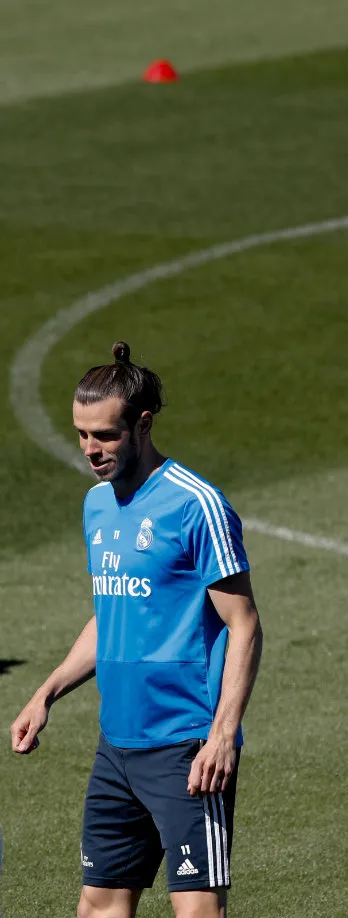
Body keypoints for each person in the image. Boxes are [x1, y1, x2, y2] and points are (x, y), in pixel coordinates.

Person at [10, 342, 263, 917]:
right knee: (98, 905)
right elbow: (112, 612)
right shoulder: (97, 505)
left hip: (186, 746)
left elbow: (244, 625)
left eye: (105, 435)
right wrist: (46, 693)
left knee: (196, 909)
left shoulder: (196, 505)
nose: (90, 449)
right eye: (81, 434)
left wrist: (222, 735)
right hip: (117, 747)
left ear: (143, 425)